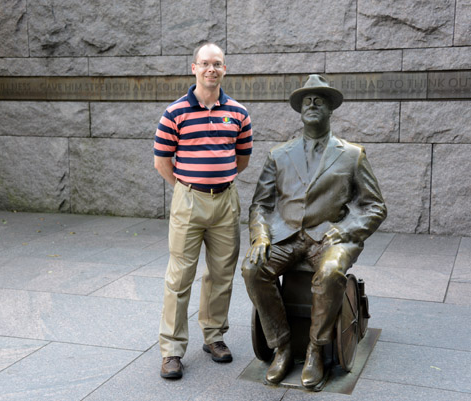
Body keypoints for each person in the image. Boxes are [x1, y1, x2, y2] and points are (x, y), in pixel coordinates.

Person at [241, 74, 386, 389]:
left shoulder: (351, 154)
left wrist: (346, 229)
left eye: (320, 99)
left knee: (331, 270)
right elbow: (260, 206)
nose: (312, 103)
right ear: (299, 110)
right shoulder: (278, 155)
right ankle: (281, 346)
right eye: (307, 100)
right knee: (252, 268)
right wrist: (261, 236)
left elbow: (375, 206)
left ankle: (315, 350)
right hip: (285, 236)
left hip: (331, 236)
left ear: (331, 109)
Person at [153, 42, 253, 380]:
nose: (212, 69)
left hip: (225, 201)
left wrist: (218, 179)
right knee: (179, 277)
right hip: (189, 201)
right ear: (194, 68)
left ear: (225, 69)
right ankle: (171, 351)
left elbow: (242, 158)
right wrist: (186, 187)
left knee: (221, 274)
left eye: (218, 64)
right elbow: (161, 161)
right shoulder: (175, 112)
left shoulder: (238, 113)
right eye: (205, 63)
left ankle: (214, 337)